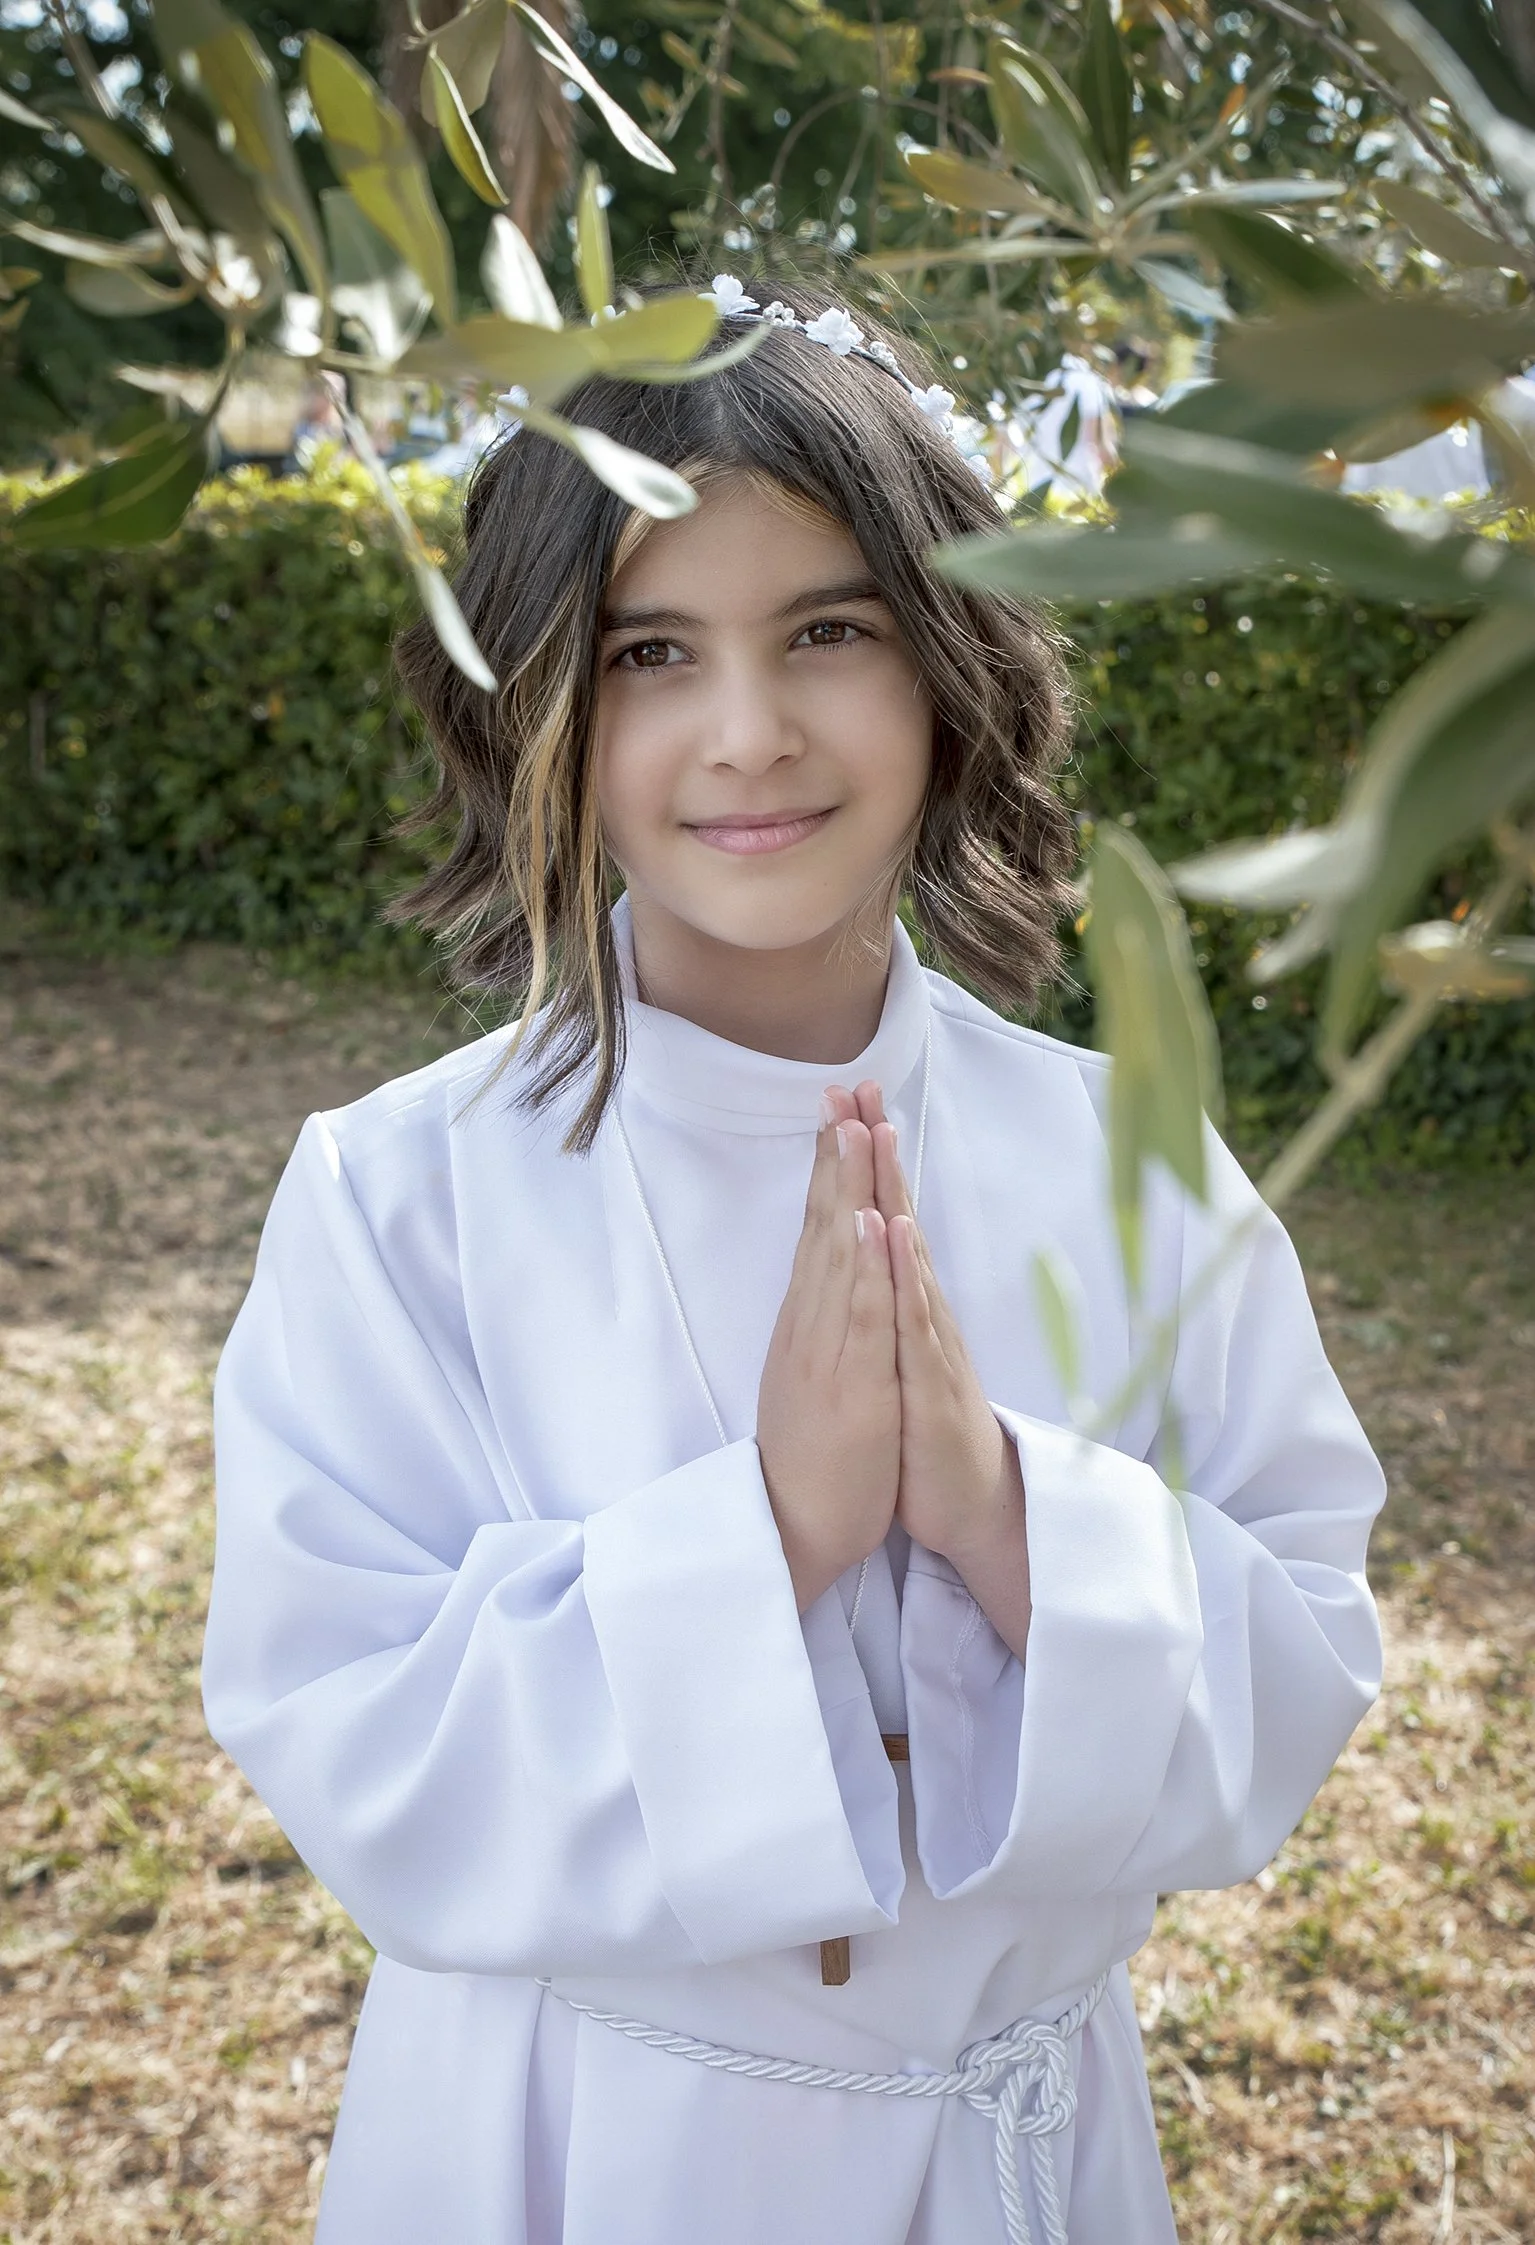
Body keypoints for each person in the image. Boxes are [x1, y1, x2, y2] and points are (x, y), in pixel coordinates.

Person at [203, 274, 1386, 2245]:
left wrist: (1004, 1511)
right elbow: (353, 1741)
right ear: (539, 706)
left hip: (1011, 2151)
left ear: (945, 663)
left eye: (825, 632)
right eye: (650, 650)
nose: (743, 735)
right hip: (572, 2153)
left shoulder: (1123, 1153)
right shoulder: (394, 1196)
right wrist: (773, 1528)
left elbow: (1301, 1645)